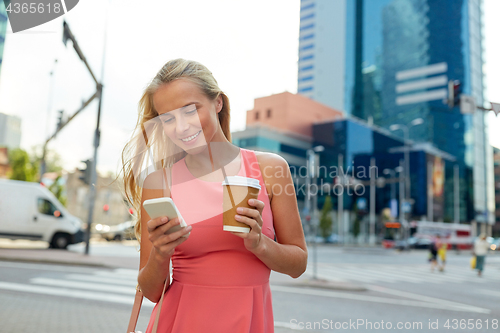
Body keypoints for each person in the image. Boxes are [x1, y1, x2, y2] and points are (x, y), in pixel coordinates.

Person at [121, 59, 308, 333]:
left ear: (217, 102)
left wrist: (259, 243)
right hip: (180, 322)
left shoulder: (270, 169)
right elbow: (151, 292)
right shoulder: (159, 181)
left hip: (249, 322)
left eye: (190, 110)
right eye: (168, 118)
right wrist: (160, 253)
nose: (181, 127)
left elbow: (298, 264)